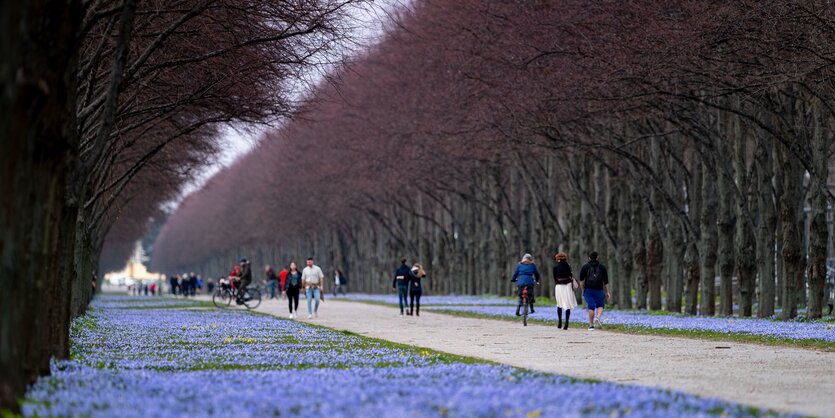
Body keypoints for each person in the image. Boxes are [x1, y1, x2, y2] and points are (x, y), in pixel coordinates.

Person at [579, 251, 610, 331]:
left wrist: (583, 289)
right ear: (597, 257)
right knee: (600, 305)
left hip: (588, 290)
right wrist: (607, 292)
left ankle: (591, 325)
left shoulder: (585, 267)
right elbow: (606, 281)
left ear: (589, 258)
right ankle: (598, 317)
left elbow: (581, 280)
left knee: (591, 307)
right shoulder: (602, 267)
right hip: (599, 289)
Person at [553, 252, 577, 330]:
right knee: (567, 304)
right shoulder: (568, 266)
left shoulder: (555, 267)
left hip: (559, 286)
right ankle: (566, 323)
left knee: (559, 304)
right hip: (567, 286)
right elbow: (570, 275)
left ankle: (559, 322)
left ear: (558, 258)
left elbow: (555, 278)